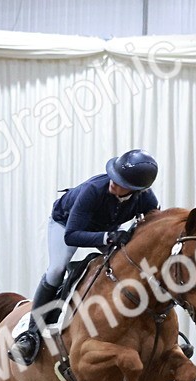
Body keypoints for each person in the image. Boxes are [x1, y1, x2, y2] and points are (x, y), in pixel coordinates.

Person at [9, 149, 162, 366]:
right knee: (56, 269)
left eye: (121, 182)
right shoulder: (93, 190)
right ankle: (30, 334)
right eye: (114, 176)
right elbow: (72, 236)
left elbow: (152, 224)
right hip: (66, 225)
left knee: (132, 267)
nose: (113, 183)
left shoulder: (146, 198)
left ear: (137, 190)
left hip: (105, 227)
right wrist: (109, 236)